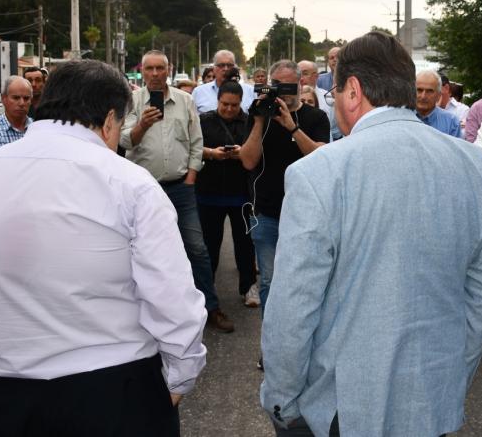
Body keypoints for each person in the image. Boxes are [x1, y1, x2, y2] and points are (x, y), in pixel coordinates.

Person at [0, 59, 207, 436]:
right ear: (111, 119)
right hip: (115, 389)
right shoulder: (130, 183)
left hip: (5, 393)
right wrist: (181, 376)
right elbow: (172, 299)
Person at [260, 31, 482, 437]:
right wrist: (452, 368)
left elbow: (293, 305)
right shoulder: (472, 165)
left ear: (352, 91)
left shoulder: (320, 172)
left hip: (344, 409)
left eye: (336, 90)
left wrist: (281, 397)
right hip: (431, 398)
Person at [121, 50, 233, 333]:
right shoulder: (132, 102)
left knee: (196, 248)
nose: (156, 74)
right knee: (144, 251)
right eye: (150, 69)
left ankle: (210, 307)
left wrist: (192, 176)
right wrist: (143, 125)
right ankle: (148, 314)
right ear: (142, 71)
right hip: (143, 191)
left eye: (160, 68)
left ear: (169, 69)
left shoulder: (185, 101)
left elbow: (197, 142)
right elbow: (124, 142)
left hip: (181, 189)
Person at [239, 60, 329, 321]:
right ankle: (270, 345)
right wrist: (258, 121)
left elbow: (321, 159)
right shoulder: (259, 116)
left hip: (306, 214)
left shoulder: (316, 117)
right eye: (277, 85)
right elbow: (248, 161)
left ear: (300, 83)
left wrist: (292, 126)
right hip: (267, 211)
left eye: (288, 85)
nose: (283, 91)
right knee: (269, 281)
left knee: (303, 283)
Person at [196, 79, 259, 309]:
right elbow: (192, 148)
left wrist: (243, 152)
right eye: (225, 104)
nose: (229, 109)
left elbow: (257, 152)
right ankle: (206, 290)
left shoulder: (250, 122)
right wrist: (212, 153)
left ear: (241, 102)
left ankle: (249, 286)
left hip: (241, 194)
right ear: (218, 100)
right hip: (208, 193)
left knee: (245, 244)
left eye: (234, 105)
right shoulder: (204, 120)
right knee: (209, 246)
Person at [415, 71, 462, 138]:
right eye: (419, 90)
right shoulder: (401, 118)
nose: (423, 96)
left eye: (429, 91)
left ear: (439, 95)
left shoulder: (451, 123)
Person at [298, 60, 337, 140]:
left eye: (304, 73)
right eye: (298, 74)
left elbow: (336, 129)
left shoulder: (329, 97)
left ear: (316, 76)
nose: (300, 78)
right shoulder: (289, 98)